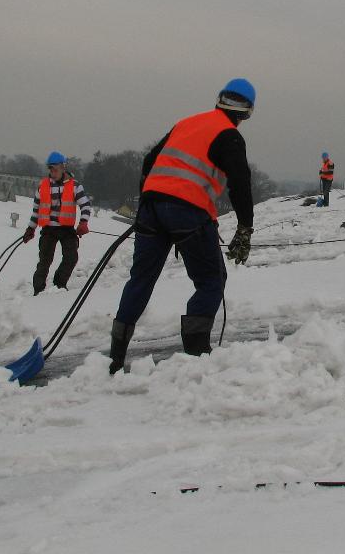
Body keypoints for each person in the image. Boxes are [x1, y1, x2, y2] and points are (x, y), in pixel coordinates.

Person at [109, 78, 256, 373]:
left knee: (141, 279)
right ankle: (196, 356)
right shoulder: (229, 135)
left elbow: (150, 160)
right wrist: (245, 227)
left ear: (219, 99)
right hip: (188, 212)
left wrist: (148, 200)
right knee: (211, 280)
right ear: (247, 112)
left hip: (151, 208)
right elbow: (240, 183)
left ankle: (115, 358)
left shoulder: (187, 123)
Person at [22, 152, 92, 295]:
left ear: (63, 167)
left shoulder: (75, 186)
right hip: (48, 230)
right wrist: (30, 229)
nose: (52, 172)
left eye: (54, 169)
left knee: (71, 257)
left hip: (67, 230)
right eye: (50, 169)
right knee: (44, 261)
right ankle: (38, 290)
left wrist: (83, 222)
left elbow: (85, 206)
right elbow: (36, 210)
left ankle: (59, 285)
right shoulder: (43, 186)